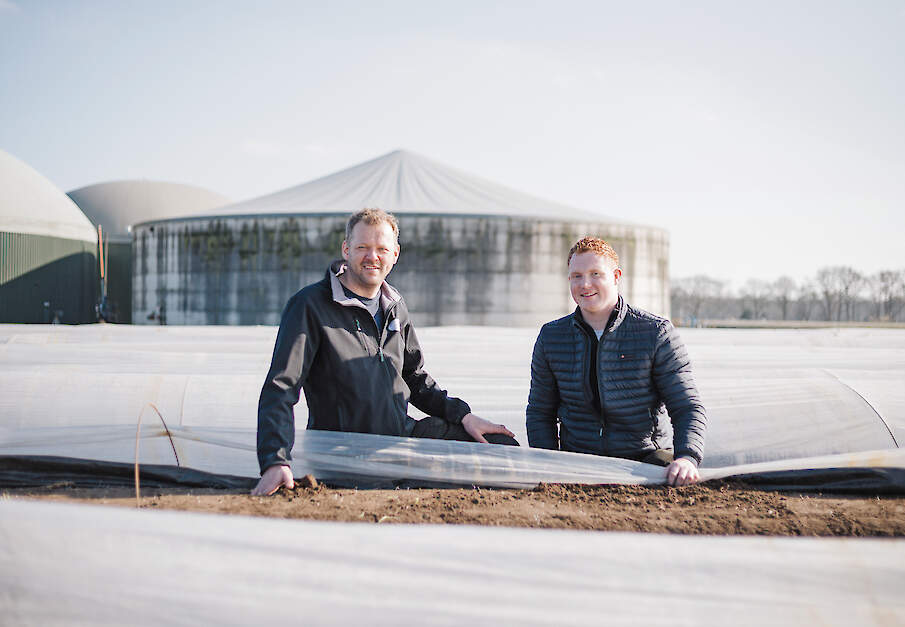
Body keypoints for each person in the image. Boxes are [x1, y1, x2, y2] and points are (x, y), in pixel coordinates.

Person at [253, 208, 517, 496]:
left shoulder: (394, 306)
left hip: (400, 439)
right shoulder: (311, 305)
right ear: (346, 249)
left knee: (500, 449)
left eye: (382, 249)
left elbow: (415, 379)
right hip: (348, 454)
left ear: (395, 254)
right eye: (363, 247)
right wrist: (275, 460)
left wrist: (464, 416)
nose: (372, 257)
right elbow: (281, 387)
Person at [526, 237, 706, 486]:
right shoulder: (552, 337)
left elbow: (687, 406)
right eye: (576, 276)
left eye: (595, 273)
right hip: (578, 464)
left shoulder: (655, 333)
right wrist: (547, 462)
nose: (585, 284)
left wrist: (687, 457)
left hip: (645, 463)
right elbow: (540, 411)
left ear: (616, 276)